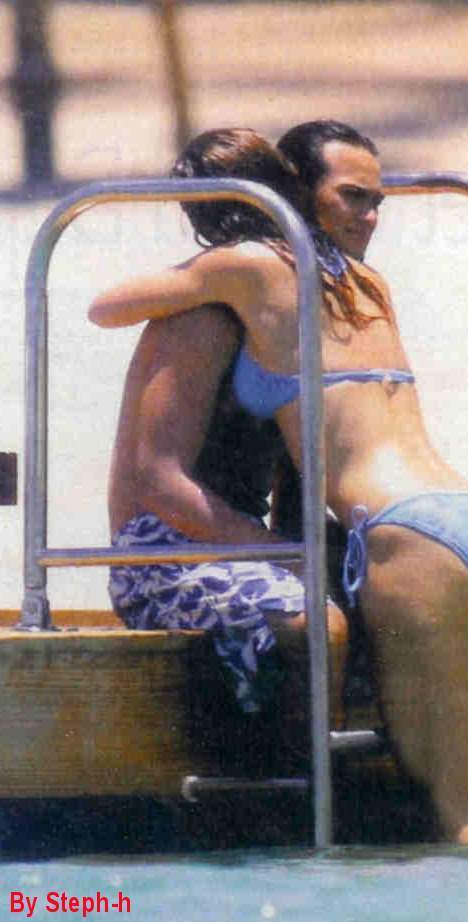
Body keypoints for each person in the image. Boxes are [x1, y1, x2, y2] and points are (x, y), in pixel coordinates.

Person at [90, 123, 468, 846]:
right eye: (354, 198)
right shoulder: (361, 286)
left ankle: (303, 820)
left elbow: (103, 307)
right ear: (296, 195)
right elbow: (174, 476)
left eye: (376, 200)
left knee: (461, 817)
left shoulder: (244, 275)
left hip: (413, 537)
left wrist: (286, 553)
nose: (370, 216)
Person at [91, 128, 347, 733]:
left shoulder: (295, 317)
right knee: (317, 622)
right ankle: (307, 780)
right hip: (164, 552)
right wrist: (285, 557)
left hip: (239, 538)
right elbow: (160, 484)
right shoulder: (204, 317)